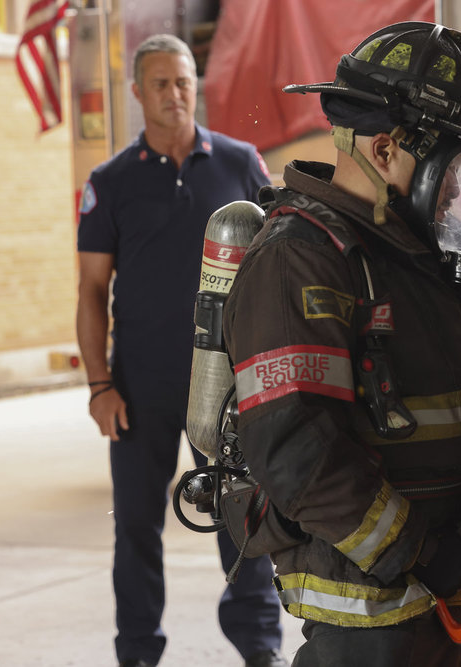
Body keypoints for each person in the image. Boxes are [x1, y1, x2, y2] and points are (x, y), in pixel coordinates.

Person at [220, 22, 461, 666]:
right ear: (386, 152)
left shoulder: (410, 247)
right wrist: (422, 553)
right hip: (375, 608)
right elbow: (297, 451)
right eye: (452, 167)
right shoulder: (300, 262)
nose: (460, 190)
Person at [75, 33, 287, 667]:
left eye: (185, 80)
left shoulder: (241, 163)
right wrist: (98, 385)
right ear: (137, 92)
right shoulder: (110, 182)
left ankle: (260, 649)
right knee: (136, 529)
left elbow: (276, 268)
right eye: (161, 83)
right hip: (138, 388)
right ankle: (138, 653)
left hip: (225, 386)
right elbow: (90, 290)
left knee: (241, 524)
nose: (176, 94)